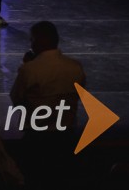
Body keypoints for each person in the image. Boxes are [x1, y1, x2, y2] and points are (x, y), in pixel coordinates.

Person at [9, 21, 85, 189]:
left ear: (36, 41)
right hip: (66, 137)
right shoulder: (75, 67)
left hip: (37, 139)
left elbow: (16, 98)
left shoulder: (30, 70)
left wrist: (28, 65)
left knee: (35, 179)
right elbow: (80, 94)